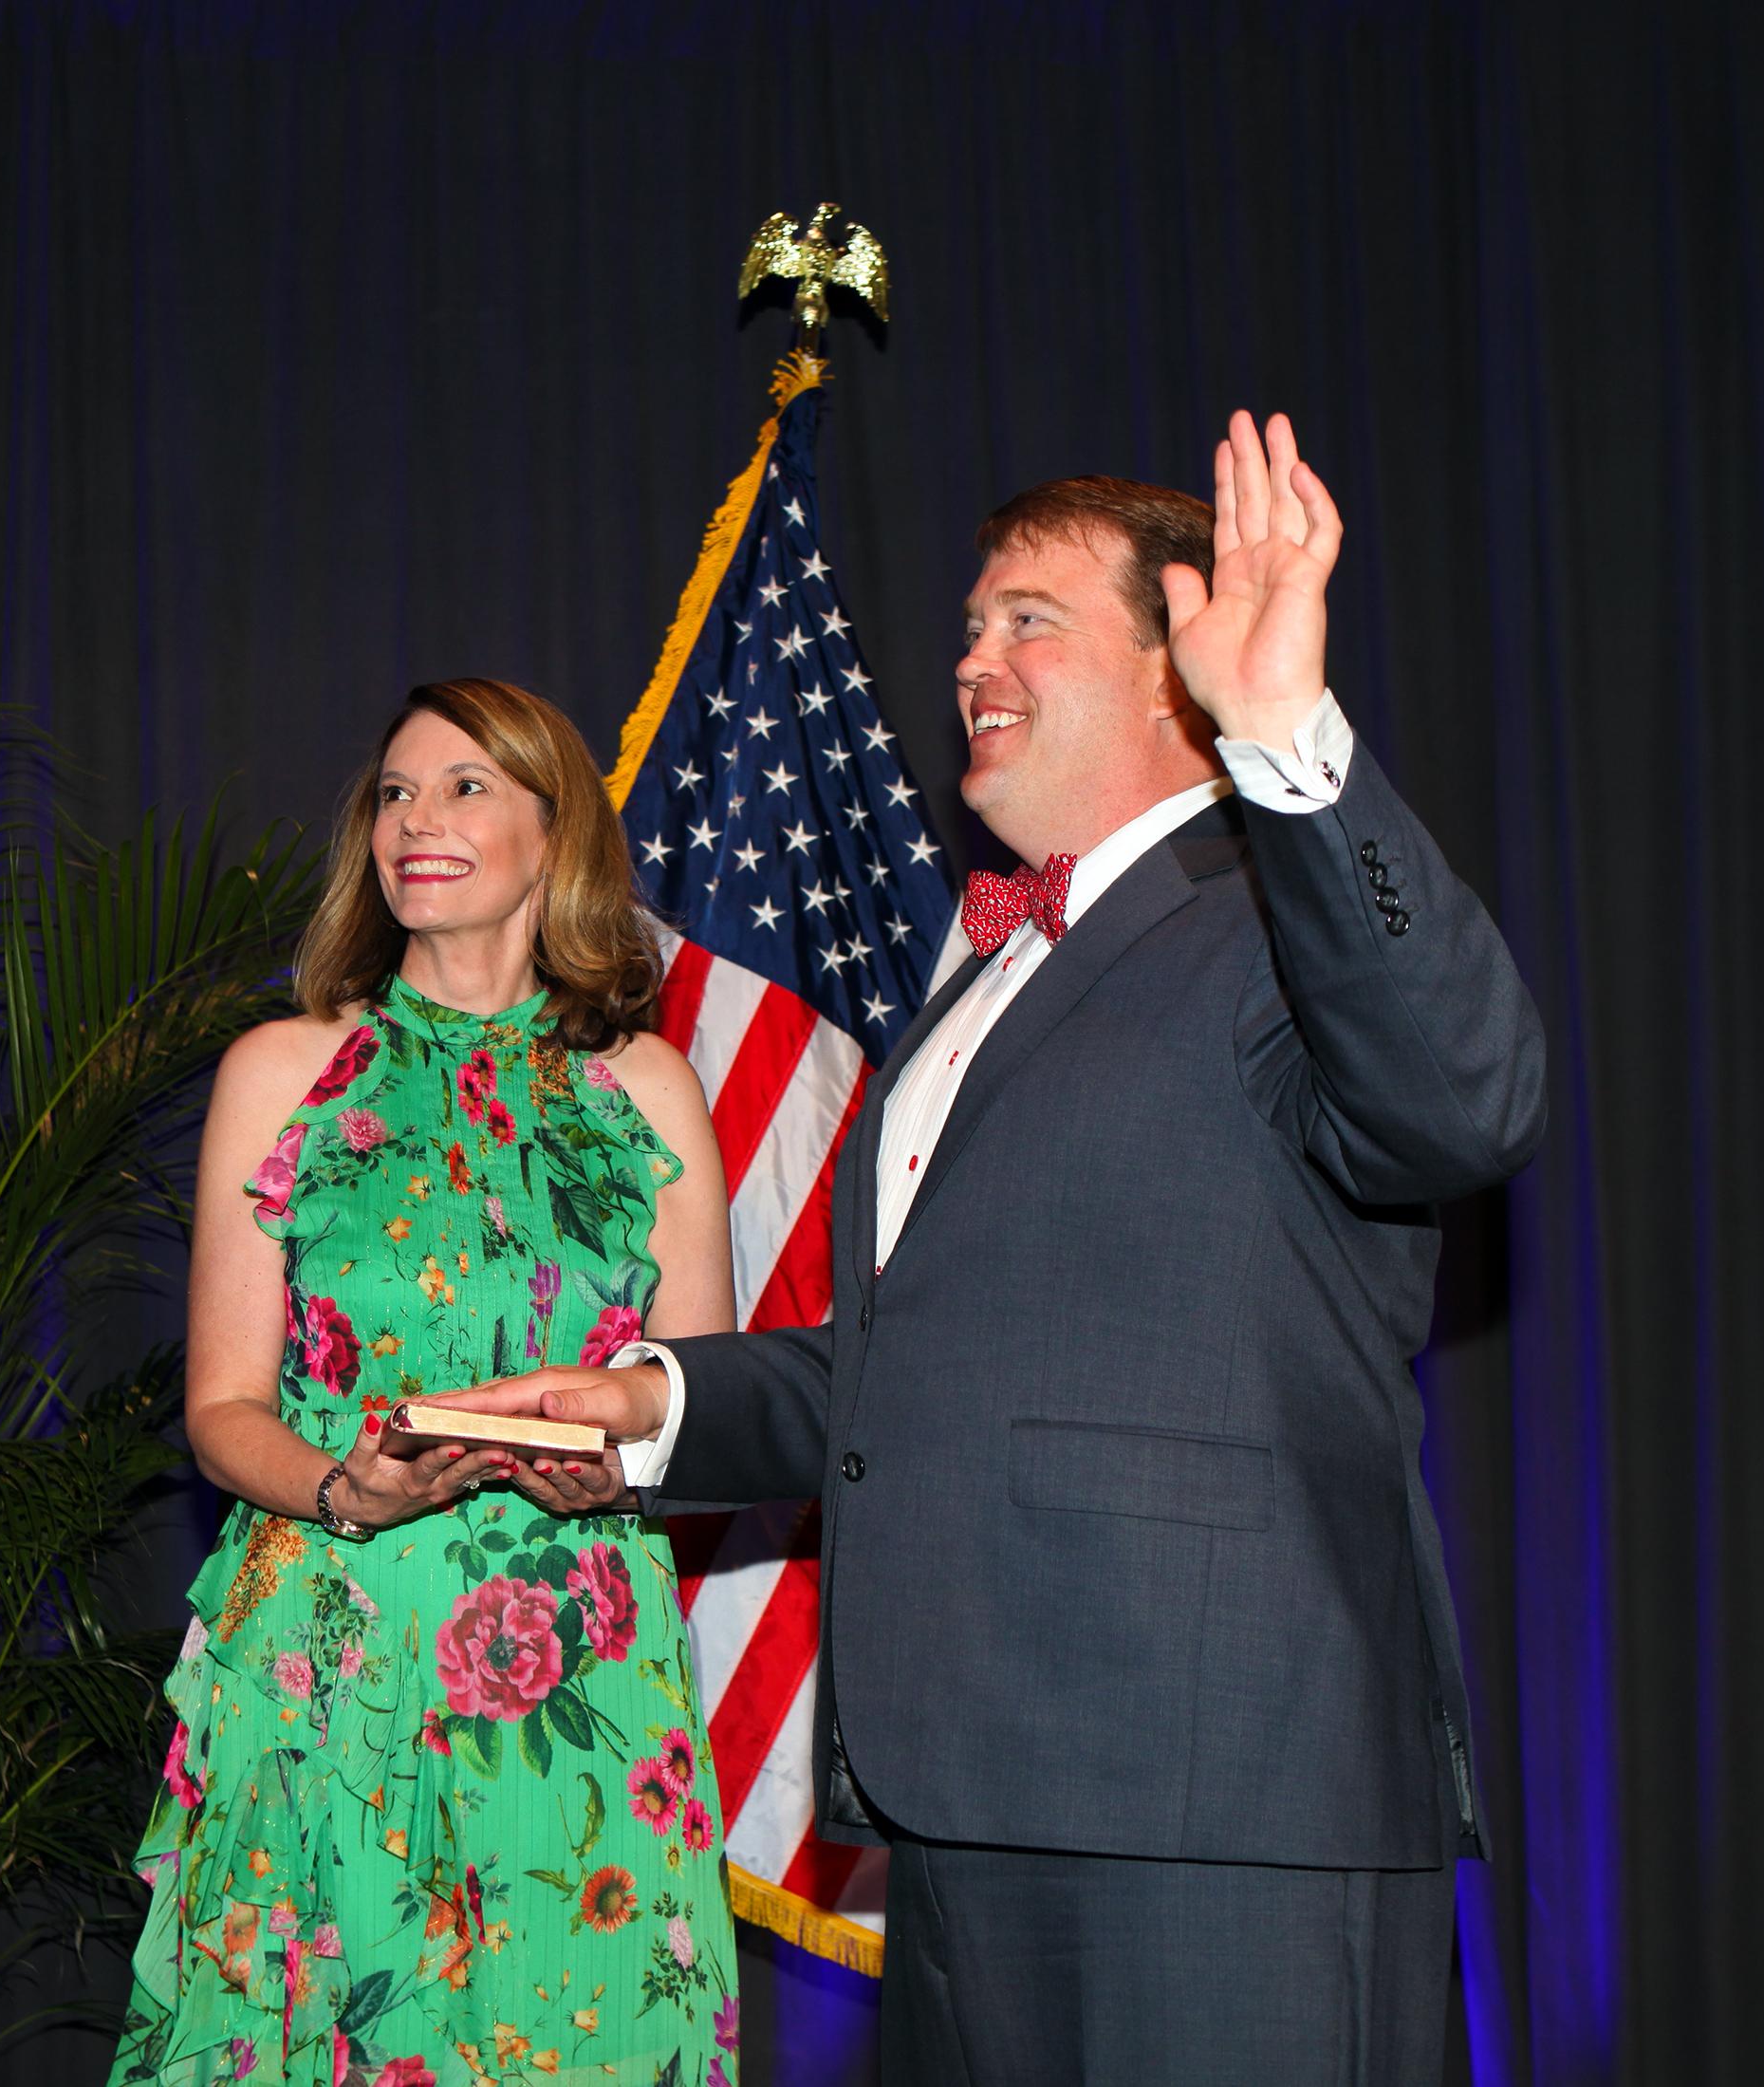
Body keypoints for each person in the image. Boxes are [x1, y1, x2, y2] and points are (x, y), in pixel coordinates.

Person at [447, 416, 1548, 2083]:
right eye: (968, 623)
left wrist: (1294, 740)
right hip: (963, 1820)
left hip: (1217, 1806)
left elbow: (1465, 1100)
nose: (971, 656)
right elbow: (909, 1374)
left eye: (1028, 616)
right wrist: (657, 1408)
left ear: (1183, 662)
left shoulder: (1274, 918)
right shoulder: (966, 985)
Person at [112, 680, 748, 2087]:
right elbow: (222, 1409)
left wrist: (620, 1467)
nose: (417, 820)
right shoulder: (285, 1070)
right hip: (335, 1649)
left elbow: (707, 1406)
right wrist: (339, 1490)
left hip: (585, 1661)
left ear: (553, 827)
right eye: (394, 794)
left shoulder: (650, 1089)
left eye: (464, 787)